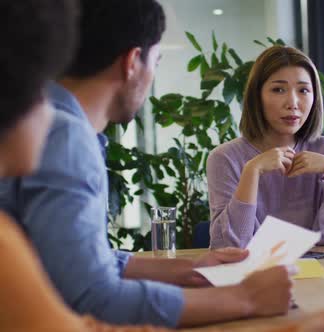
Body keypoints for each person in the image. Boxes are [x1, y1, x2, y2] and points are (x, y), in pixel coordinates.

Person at [0, 0, 296, 328]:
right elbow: (93, 298)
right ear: (131, 62)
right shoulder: (66, 135)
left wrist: (193, 268)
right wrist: (247, 297)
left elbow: (74, 261)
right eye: (156, 60)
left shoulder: (61, 124)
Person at [207, 46, 324, 249]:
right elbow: (229, 246)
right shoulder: (224, 157)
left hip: (322, 274)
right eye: (278, 89)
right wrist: (251, 171)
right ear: (257, 96)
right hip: (252, 277)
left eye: (303, 90)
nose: (293, 103)